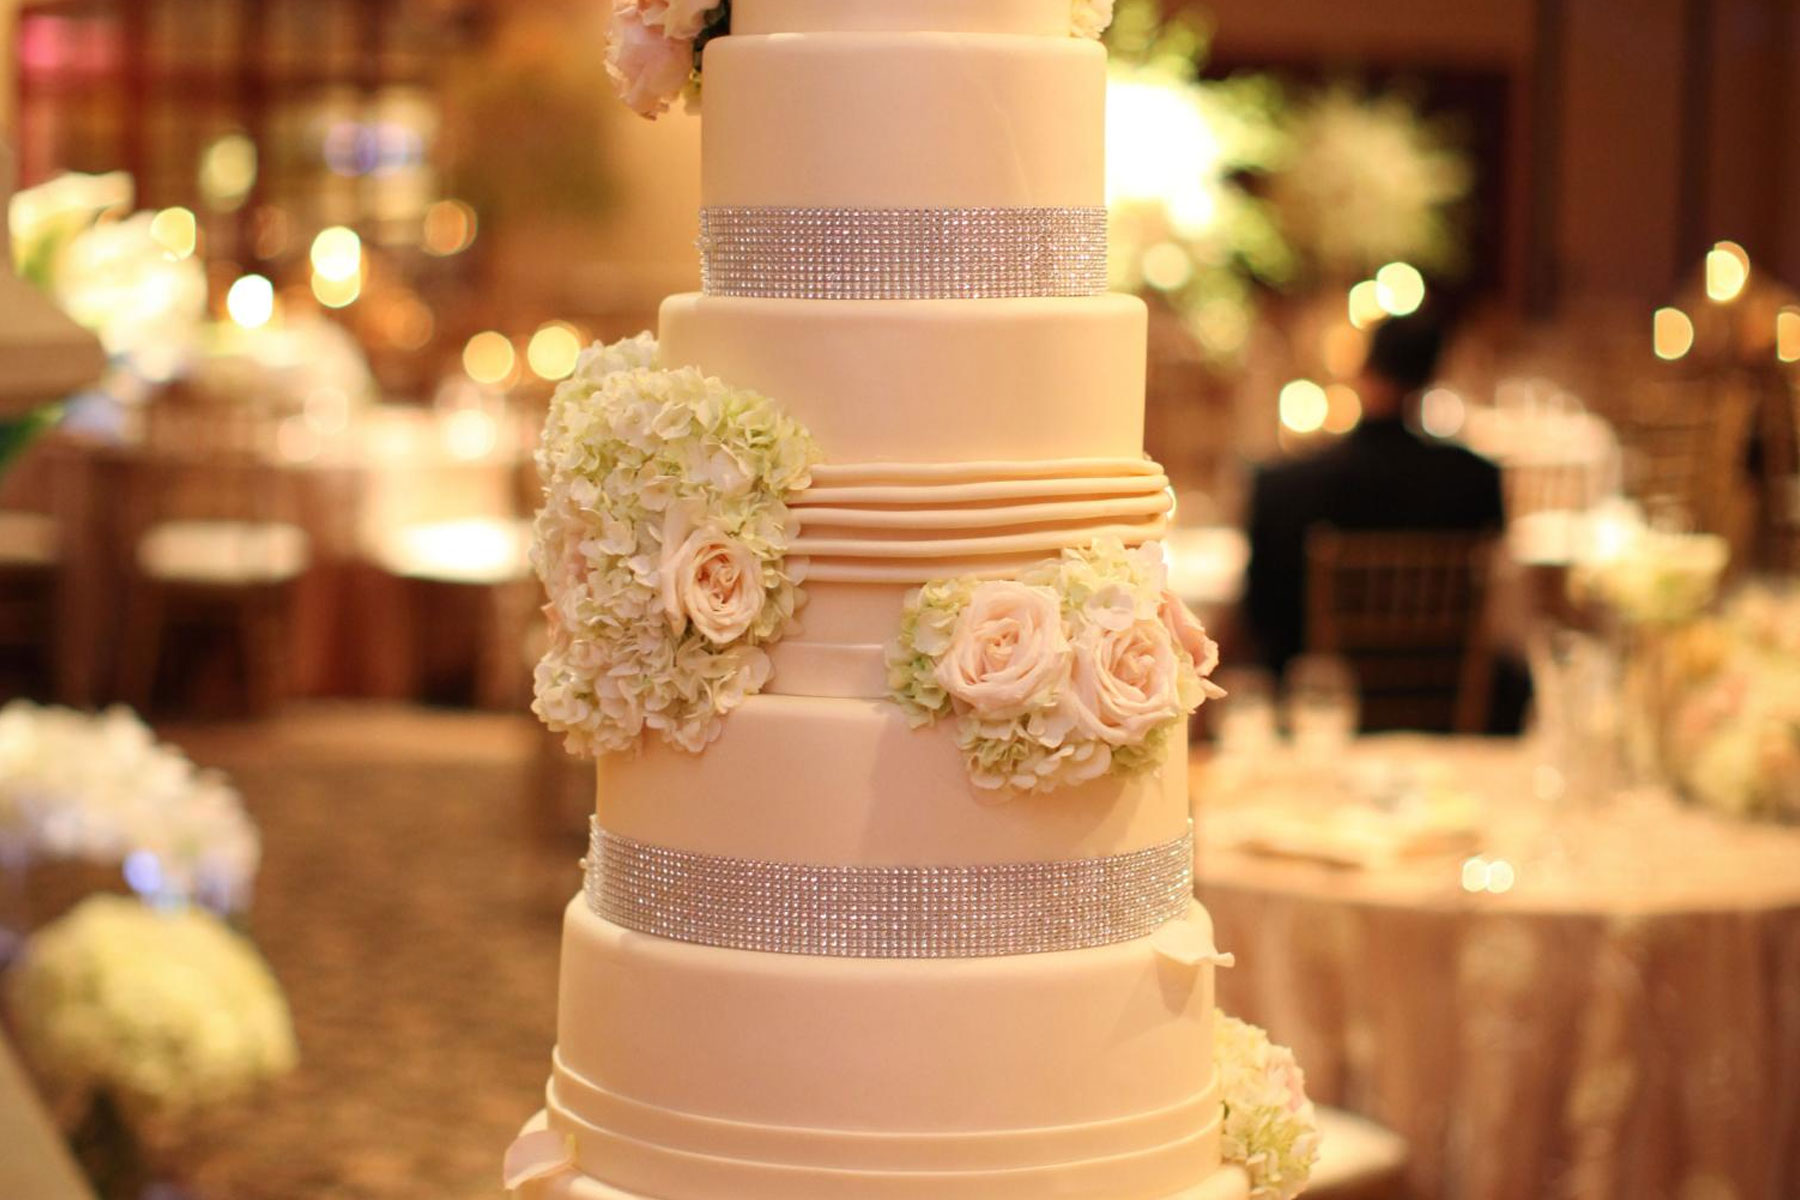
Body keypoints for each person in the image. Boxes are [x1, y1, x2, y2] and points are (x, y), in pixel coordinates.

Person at [1243, 310, 1505, 680]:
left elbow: (1259, 615)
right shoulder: (1477, 481)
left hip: (1316, 698)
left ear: (1363, 367)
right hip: (1438, 690)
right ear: (1431, 375)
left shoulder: (1284, 486)